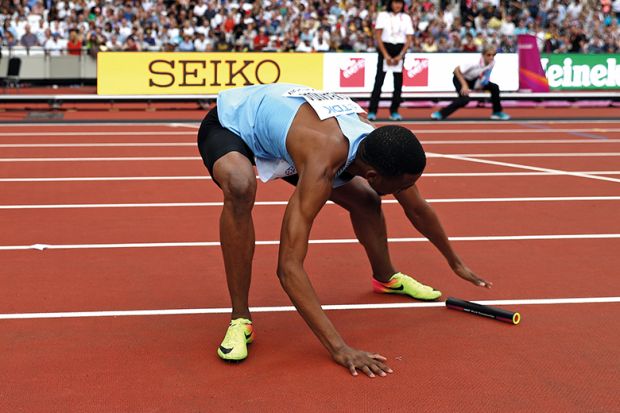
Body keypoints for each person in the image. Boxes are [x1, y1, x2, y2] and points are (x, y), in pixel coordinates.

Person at [197, 83, 492, 377]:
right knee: (240, 185)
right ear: (373, 175)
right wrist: (339, 348)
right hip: (232, 123)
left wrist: (455, 261)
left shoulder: (377, 144)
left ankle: (386, 277)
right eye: (402, 186)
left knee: (366, 200)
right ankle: (240, 319)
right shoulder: (322, 164)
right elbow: (288, 268)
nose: (406, 190)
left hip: (288, 126)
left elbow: (418, 209)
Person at [431, 46, 511, 120]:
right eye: (488, 55)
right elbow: (456, 70)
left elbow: (486, 74)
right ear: (483, 55)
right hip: (460, 79)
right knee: (464, 100)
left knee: (494, 87)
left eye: (493, 55)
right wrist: (464, 85)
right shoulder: (474, 62)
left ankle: (496, 112)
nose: (491, 57)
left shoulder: (492, 62)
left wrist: (482, 84)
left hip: (474, 80)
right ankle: (441, 113)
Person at [367, 0, 413, 121]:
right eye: (395, 2)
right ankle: (372, 110)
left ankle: (394, 111)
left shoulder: (406, 17)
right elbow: (378, 36)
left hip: (400, 49)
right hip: (385, 48)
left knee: (398, 83)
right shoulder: (383, 15)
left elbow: (409, 39)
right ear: (390, 3)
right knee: (379, 81)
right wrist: (386, 55)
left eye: (400, 3)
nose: (397, 5)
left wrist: (400, 55)